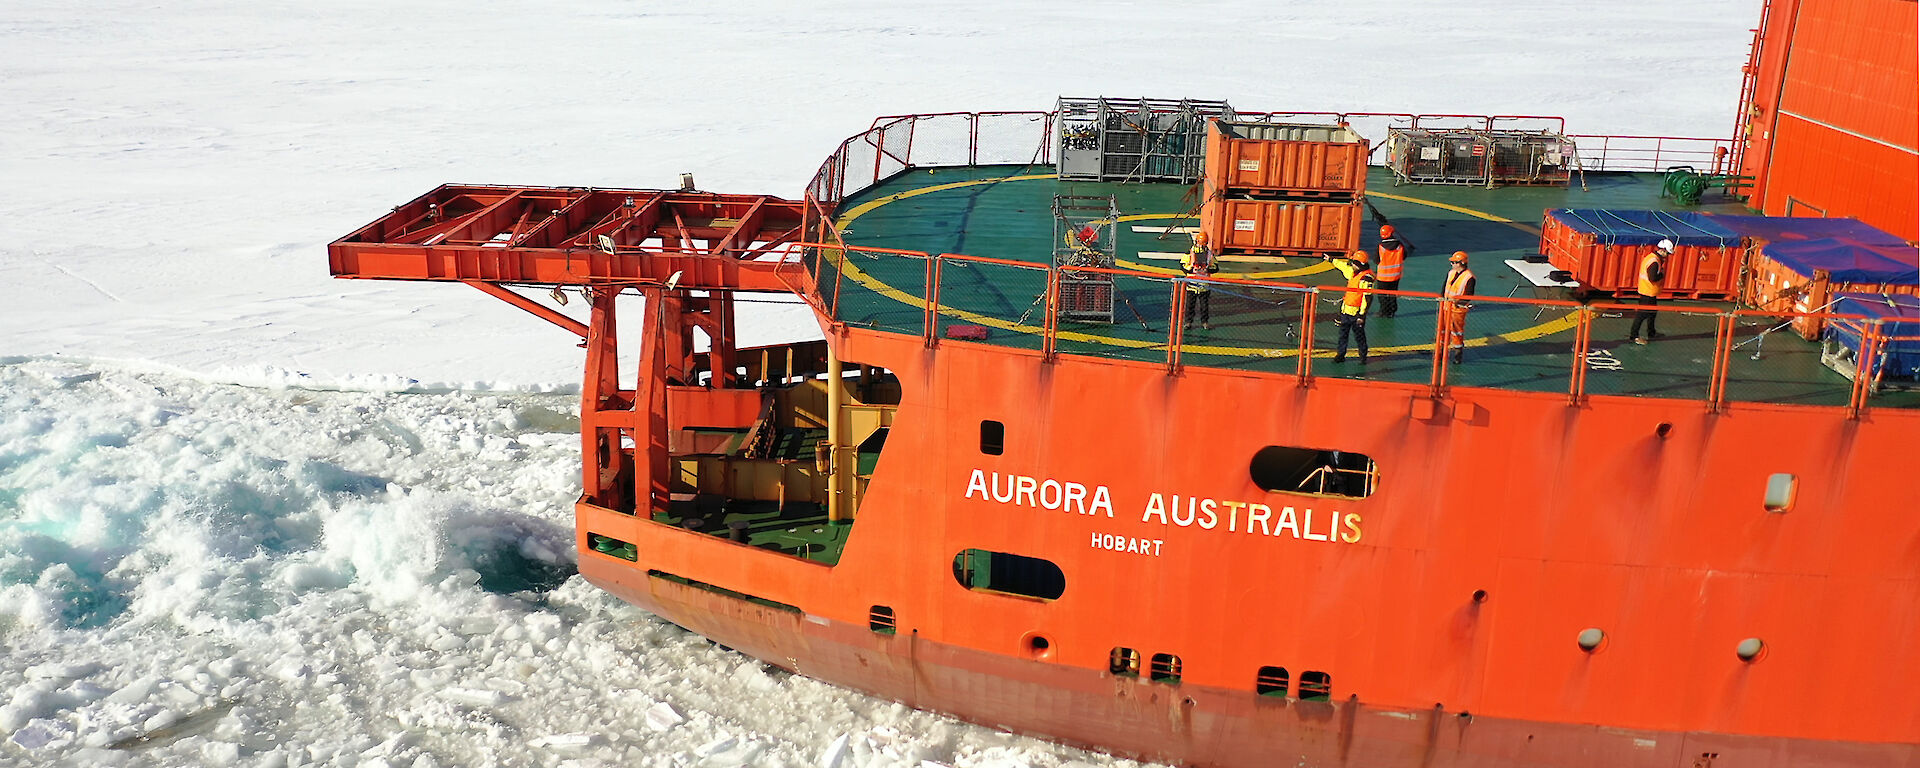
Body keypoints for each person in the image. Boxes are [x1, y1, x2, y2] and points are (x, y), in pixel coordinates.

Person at [1326, 250, 1376, 363]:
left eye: (1353, 262)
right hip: (1346, 311)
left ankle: (1363, 356)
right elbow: (1343, 267)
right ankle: (1340, 354)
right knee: (1343, 334)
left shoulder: (1366, 278)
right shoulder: (1354, 272)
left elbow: (1367, 298)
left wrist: (1362, 315)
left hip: (1356, 313)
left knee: (1359, 336)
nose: (1351, 264)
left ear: (1359, 264)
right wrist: (1331, 260)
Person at [1627, 239, 1672, 345]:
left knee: (1652, 313)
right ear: (1663, 250)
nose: (1667, 256)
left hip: (1648, 291)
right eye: (1667, 253)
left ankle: (1651, 332)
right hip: (1648, 292)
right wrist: (1662, 274)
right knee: (1642, 314)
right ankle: (1634, 336)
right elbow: (1652, 278)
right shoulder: (1654, 262)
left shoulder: (1652, 257)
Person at [1440, 251, 1476, 363]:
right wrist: (1442, 299)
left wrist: (1457, 302)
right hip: (1446, 307)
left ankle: (1458, 353)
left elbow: (1468, 295)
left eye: (1454, 262)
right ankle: (1441, 351)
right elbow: (1444, 288)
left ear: (1461, 263)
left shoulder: (1469, 277)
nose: (1452, 264)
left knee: (1456, 332)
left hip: (1457, 309)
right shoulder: (1451, 273)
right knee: (1442, 330)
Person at [1181, 231, 1219, 330]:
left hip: (1204, 286)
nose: (1201, 245)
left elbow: (1216, 267)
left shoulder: (1209, 254)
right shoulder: (1189, 252)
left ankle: (1204, 322)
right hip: (1192, 284)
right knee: (1190, 306)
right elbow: (1182, 265)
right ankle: (1188, 322)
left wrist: (1207, 269)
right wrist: (1191, 269)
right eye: (1200, 243)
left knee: (1204, 306)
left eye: (1204, 243)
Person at [1374, 224, 1410, 318]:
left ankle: (1383, 311)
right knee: (1393, 293)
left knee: (1382, 295)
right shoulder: (1399, 245)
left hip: (1383, 277)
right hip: (1395, 276)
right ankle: (1392, 311)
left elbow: (1376, 260)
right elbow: (1404, 255)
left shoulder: (1380, 247)